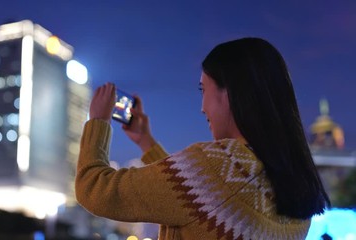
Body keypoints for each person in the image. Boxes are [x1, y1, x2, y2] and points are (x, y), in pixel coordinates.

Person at [75, 37, 330, 240]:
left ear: (230, 93)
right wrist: (146, 142)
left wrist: (98, 121)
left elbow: (95, 189)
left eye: (203, 90)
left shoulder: (217, 165)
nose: (202, 107)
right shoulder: (293, 188)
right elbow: (205, 202)